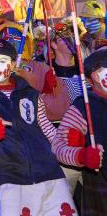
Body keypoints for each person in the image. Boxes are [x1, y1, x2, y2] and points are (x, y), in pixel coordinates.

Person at [0, 39, 76, 216]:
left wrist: (75, 151)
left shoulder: (31, 93)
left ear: (12, 64)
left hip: (50, 175)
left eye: (2, 61)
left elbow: (49, 132)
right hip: (10, 178)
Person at [52, 49, 107, 216]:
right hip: (100, 187)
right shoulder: (83, 108)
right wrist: (82, 155)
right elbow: (59, 147)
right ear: (96, 76)